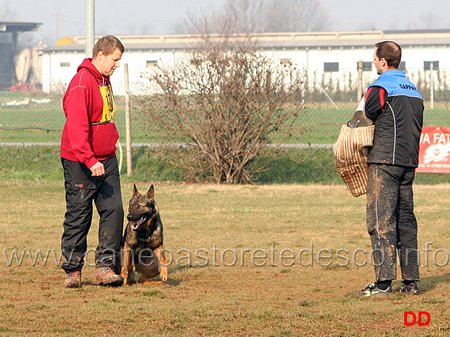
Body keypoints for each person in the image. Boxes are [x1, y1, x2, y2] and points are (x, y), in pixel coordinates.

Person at [358, 41, 424, 296]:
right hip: (408, 163)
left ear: (383, 62)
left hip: (385, 162)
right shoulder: (414, 90)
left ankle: (384, 284)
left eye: (375, 59)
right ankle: (411, 283)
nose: (374, 63)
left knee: (380, 221)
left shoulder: (380, 86)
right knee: (406, 221)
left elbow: (369, 113)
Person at [60, 35, 125, 288]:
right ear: (100, 55)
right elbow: (76, 127)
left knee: (115, 210)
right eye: (114, 60)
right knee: (79, 214)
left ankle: (105, 267)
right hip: (80, 160)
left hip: (106, 158)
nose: (116, 65)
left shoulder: (104, 80)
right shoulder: (81, 83)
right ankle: (73, 270)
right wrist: (89, 159)